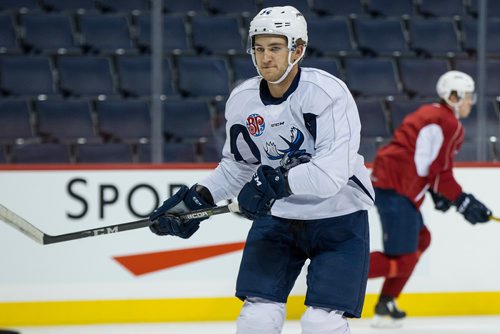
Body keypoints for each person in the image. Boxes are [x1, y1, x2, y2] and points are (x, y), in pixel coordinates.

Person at [148, 6, 375, 334]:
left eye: (275, 48)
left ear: (297, 50)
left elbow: (330, 176)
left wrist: (272, 185)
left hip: (339, 218)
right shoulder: (242, 100)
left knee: (320, 322)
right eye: (259, 48)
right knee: (257, 317)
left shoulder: (327, 94)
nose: (265, 57)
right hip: (279, 218)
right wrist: (195, 201)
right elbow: (237, 167)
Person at [368, 70, 492, 328]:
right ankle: (338, 272)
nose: (471, 102)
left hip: (392, 184)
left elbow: (422, 160)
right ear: (454, 97)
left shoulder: (431, 113)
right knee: (404, 258)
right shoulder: (449, 123)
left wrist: (437, 192)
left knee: (422, 239)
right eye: (468, 96)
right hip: (396, 189)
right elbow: (439, 171)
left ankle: (386, 302)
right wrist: (463, 201)